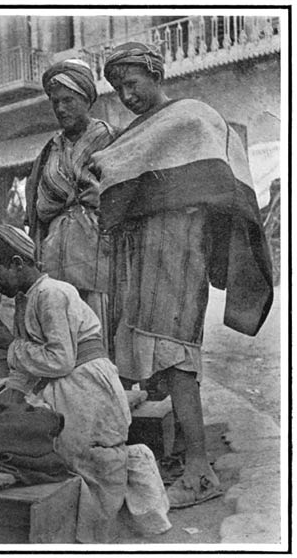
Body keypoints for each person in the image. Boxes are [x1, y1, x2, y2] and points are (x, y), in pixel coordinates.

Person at [91, 42, 273, 509]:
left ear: (156, 75)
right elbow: (114, 176)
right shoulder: (135, 131)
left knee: (177, 358)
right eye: (117, 88)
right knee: (155, 356)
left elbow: (221, 179)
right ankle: (184, 457)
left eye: (132, 83)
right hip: (144, 254)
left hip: (180, 251)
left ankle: (200, 471)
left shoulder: (191, 117)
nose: (126, 95)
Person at [0, 224, 170, 543]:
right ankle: (88, 533)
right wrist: (10, 399)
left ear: (18, 264)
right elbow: (26, 365)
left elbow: (60, 359)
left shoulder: (54, 294)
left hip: (88, 387)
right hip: (69, 389)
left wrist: (9, 346)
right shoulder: (26, 301)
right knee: (76, 462)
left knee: (96, 461)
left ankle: (119, 524)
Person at [25, 59, 115, 343]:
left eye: (68, 100)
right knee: (59, 336)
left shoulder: (107, 139)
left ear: (87, 99)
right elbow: (40, 202)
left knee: (92, 334)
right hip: (54, 255)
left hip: (94, 253)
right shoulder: (52, 147)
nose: (61, 109)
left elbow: (116, 195)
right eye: (55, 102)